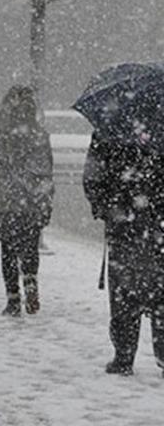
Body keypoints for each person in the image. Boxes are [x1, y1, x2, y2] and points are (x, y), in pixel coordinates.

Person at [83, 131, 164, 377]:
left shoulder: (109, 130)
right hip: (158, 224)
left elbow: (92, 177)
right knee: (160, 290)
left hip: (123, 225)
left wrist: (106, 208)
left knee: (123, 292)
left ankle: (124, 355)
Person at [0, 86, 54, 316]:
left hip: (9, 199)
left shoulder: (1, 134)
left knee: (8, 250)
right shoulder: (39, 135)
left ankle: (13, 298)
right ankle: (30, 280)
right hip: (32, 199)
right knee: (30, 247)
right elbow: (47, 170)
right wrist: (45, 199)